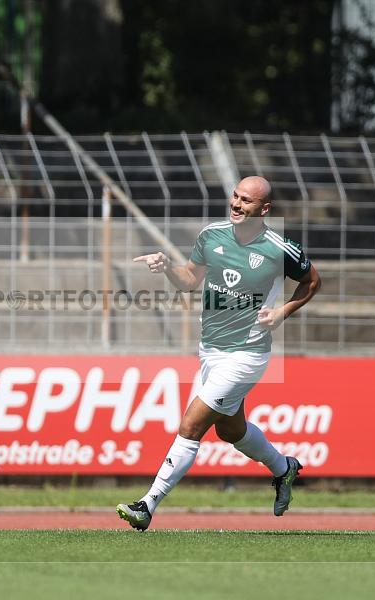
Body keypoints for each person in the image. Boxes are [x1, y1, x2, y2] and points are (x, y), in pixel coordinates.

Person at [117, 175, 321, 531]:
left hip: (247, 354)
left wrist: (281, 312)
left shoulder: (279, 247)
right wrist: (167, 268)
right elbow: (189, 280)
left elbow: (312, 282)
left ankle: (147, 505)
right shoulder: (211, 235)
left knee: (191, 424)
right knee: (230, 429)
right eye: (235, 196)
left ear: (264, 209)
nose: (237, 204)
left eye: (246, 201)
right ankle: (283, 468)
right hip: (210, 350)